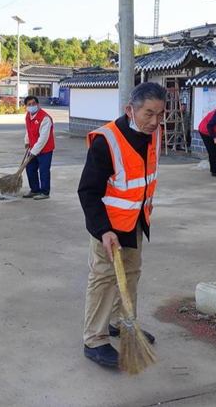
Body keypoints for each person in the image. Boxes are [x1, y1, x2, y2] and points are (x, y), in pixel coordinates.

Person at [78, 82, 167, 368]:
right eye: (149, 113)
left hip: (136, 220)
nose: (155, 121)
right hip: (108, 227)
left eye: (160, 114)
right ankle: (95, 339)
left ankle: (122, 322)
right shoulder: (107, 141)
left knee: (131, 274)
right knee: (104, 279)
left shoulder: (154, 134)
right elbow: (88, 191)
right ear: (130, 109)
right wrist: (104, 230)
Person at [23, 95, 54, 200]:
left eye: (34, 104)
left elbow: (43, 138)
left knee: (43, 170)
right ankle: (34, 189)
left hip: (45, 149)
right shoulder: (28, 115)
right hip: (32, 147)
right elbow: (29, 129)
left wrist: (34, 151)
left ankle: (45, 192)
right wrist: (27, 141)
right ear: (26, 106)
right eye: (29, 104)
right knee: (30, 169)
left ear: (38, 104)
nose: (32, 106)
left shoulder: (45, 118)